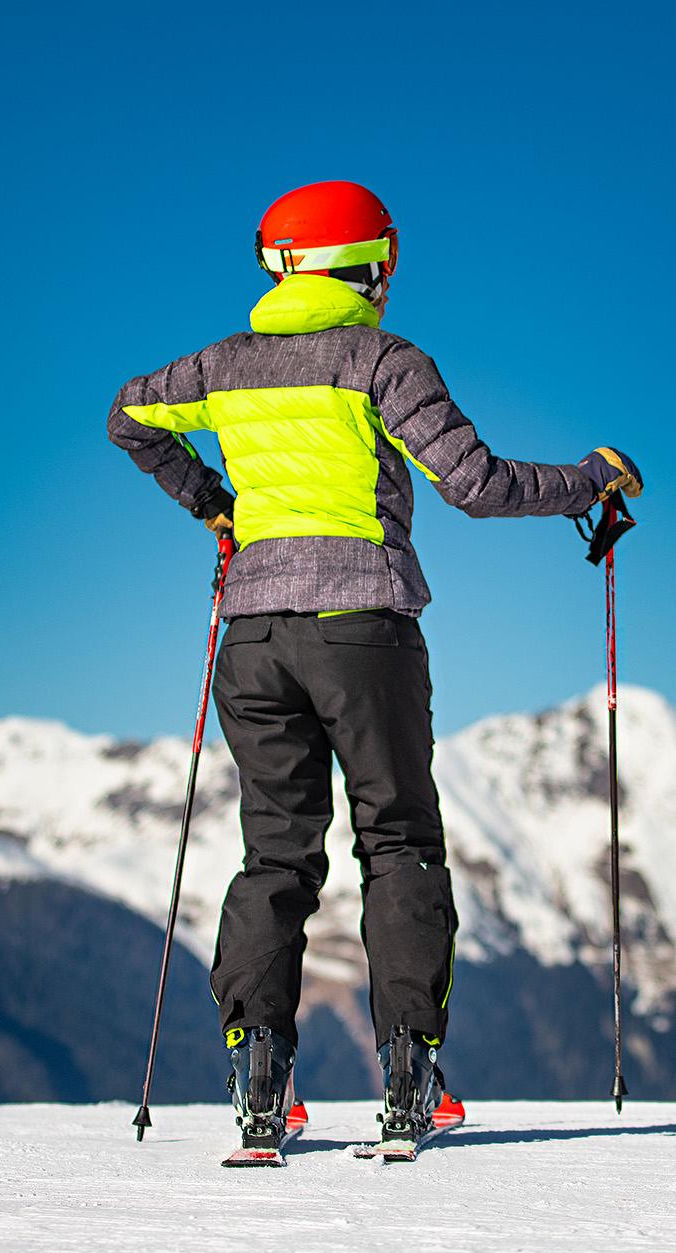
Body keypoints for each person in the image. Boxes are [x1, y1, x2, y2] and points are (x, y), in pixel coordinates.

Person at [107, 180, 642, 1154]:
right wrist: (589, 480)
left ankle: (260, 1084)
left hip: (253, 633)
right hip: (366, 626)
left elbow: (129, 414)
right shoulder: (384, 361)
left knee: (276, 852)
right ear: (372, 267)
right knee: (398, 842)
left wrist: (215, 504)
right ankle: (411, 1080)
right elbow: (475, 484)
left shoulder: (222, 366)